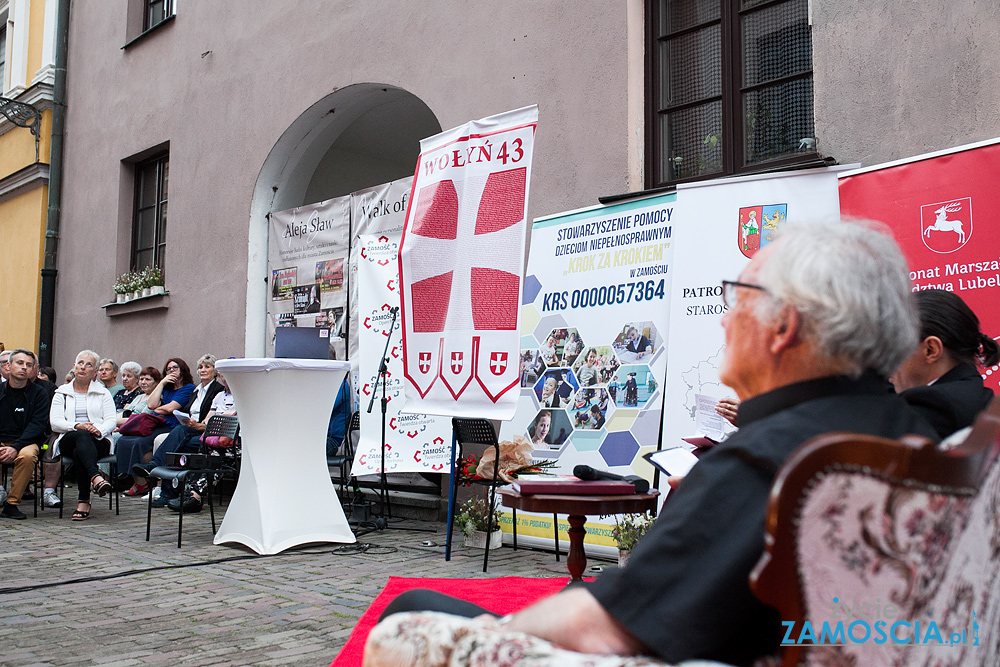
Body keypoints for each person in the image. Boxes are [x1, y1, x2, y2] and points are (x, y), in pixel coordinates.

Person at [367, 220, 940, 667]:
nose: (722, 321)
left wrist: (488, 638)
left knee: (413, 616)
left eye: (734, 297)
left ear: (782, 326)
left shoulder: (776, 464)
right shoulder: (917, 437)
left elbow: (600, 627)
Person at [891, 288, 999, 437]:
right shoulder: (983, 398)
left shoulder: (930, 404)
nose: (886, 363)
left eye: (893, 349)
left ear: (931, 350)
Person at [134, 367, 234, 511]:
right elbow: (208, 421)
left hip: (223, 439)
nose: (225, 378)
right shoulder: (219, 396)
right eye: (223, 374)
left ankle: (164, 483)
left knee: (177, 441)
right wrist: (197, 425)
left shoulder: (239, 395)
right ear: (220, 375)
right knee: (177, 438)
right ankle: (169, 491)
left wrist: (199, 426)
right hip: (207, 434)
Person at [50, 350, 117, 521]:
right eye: (80, 363)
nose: (83, 367)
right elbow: (55, 422)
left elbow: (111, 421)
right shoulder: (61, 392)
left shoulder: (103, 393)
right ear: (74, 367)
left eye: (89, 365)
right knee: (81, 435)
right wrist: (77, 425)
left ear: (95, 372)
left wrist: (99, 430)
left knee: (80, 450)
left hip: (98, 440)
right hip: (68, 438)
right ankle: (96, 477)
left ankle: (84, 501)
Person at [115, 358, 195, 495]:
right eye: (168, 369)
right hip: (161, 423)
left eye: (175, 368)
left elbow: (170, 409)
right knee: (124, 439)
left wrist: (159, 409)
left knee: (139, 442)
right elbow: (151, 405)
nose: (171, 371)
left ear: (182, 369)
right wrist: (162, 383)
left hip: (173, 426)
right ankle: (134, 478)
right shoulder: (167, 388)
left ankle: (148, 479)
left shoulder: (188, 388)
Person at [0, 350, 50, 519]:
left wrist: (15, 447)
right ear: (8, 365)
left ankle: (11, 504)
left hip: (27, 442)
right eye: (19, 363)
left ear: (33, 369)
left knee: (27, 456)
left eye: (28, 365)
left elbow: (38, 425)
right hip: (2, 441)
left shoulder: (39, 393)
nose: (24, 368)